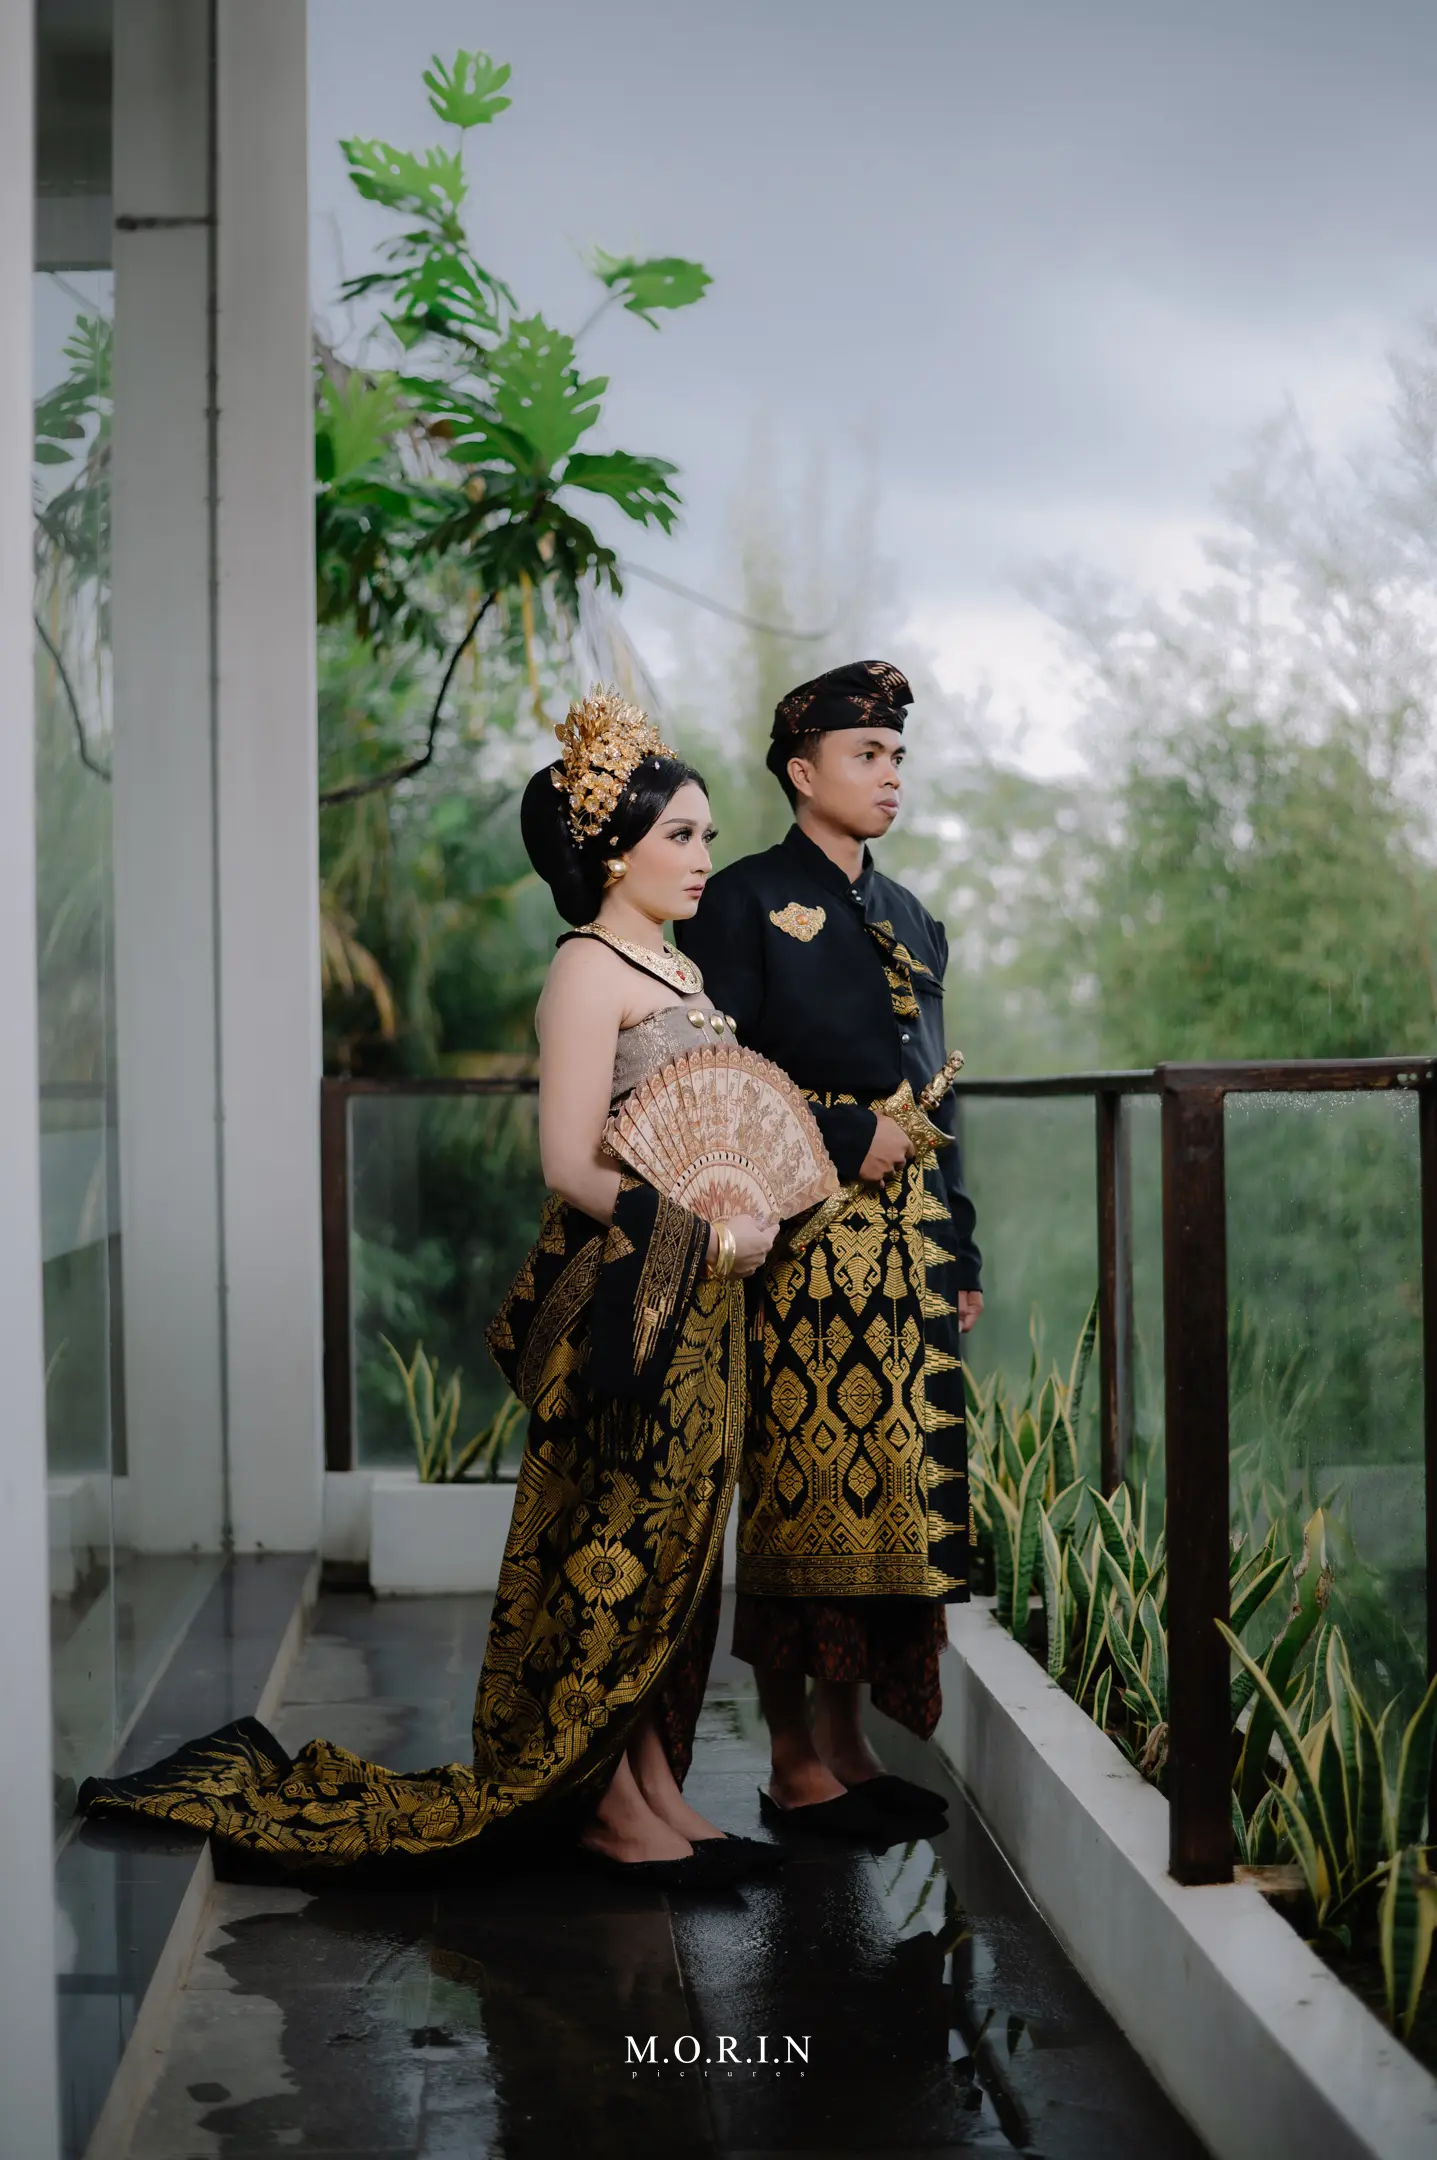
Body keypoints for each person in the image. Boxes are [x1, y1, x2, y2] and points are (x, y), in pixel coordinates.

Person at [80, 689, 783, 1886]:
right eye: (681, 834)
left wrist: (736, 1226)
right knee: (611, 1542)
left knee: (673, 1553)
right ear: (614, 849)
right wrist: (705, 1233)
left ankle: (653, 1785)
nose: (704, 855)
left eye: (707, 834)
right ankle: (606, 1806)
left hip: (702, 1306)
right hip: (631, 1299)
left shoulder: (677, 963)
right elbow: (568, 1166)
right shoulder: (587, 973)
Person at [677, 660, 983, 1832]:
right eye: (867, 755)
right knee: (802, 1492)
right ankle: (791, 1757)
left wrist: (963, 1249)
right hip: (797, 1241)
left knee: (889, 1497)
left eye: (897, 755)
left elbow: (940, 1094)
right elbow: (714, 1078)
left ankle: (852, 1746)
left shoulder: (912, 917)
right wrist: (846, 1132)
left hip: (909, 1250)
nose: (890, 773)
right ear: (803, 774)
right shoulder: (743, 900)